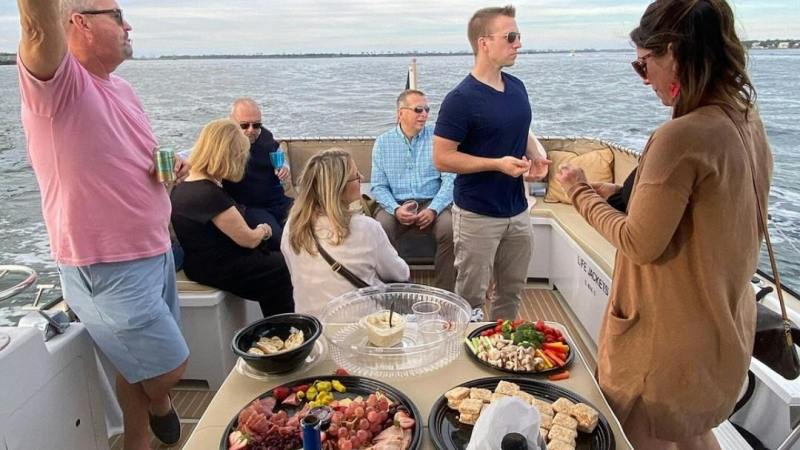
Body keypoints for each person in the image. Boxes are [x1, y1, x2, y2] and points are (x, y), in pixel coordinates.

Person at [556, 1, 771, 447]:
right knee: (693, 434)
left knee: (634, 437)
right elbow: (709, 211)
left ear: (671, 51)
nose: (645, 78)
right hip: (718, 333)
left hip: (662, 349)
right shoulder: (746, 121)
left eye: (643, 64)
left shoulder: (680, 135)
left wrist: (577, 190)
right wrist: (618, 194)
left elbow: (638, 243)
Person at [15, 0, 189, 447]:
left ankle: (136, 443)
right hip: (105, 265)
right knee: (169, 368)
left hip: (154, 249)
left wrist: (164, 167)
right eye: (116, 15)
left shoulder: (122, 89)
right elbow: (36, 25)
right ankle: (161, 404)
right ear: (78, 22)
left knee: (135, 369)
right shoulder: (60, 83)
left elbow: (133, 157)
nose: (127, 24)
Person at [433, 5, 550, 320]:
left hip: (517, 210)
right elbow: (442, 158)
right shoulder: (460, 99)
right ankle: (466, 359)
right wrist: (496, 164)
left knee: (510, 292)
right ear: (484, 43)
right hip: (477, 215)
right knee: (471, 297)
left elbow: (521, 131)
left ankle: (500, 349)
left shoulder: (517, 88)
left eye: (518, 36)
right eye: (510, 36)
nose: (518, 43)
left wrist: (536, 155)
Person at [171, 119, 294, 318]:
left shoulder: (184, 186)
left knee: (273, 263)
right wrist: (264, 229)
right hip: (219, 266)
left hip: (198, 262)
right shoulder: (209, 194)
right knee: (284, 265)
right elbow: (249, 239)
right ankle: (284, 329)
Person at [282, 149, 410, 317]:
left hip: (312, 330)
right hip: (362, 330)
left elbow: (293, 270)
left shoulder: (293, 225)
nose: (362, 179)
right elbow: (400, 273)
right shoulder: (366, 227)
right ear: (341, 187)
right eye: (356, 177)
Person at [371, 89, 456, 291]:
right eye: (418, 110)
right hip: (396, 202)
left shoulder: (438, 139)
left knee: (450, 229)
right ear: (401, 113)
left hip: (431, 201)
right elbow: (378, 185)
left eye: (427, 109)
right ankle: (393, 289)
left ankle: (445, 292)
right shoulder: (383, 143)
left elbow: (450, 180)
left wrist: (433, 209)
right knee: (380, 228)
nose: (424, 114)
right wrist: (395, 209)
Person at [223, 98, 292, 250]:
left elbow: (278, 154)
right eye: (244, 125)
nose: (251, 129)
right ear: (232, 122)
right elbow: (197, 155)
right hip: (249, 206)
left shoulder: (267, 138)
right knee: (277, 239)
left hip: (277, 200)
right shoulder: (224, 143)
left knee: (314, 220)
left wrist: (284, 167)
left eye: (257, 125)